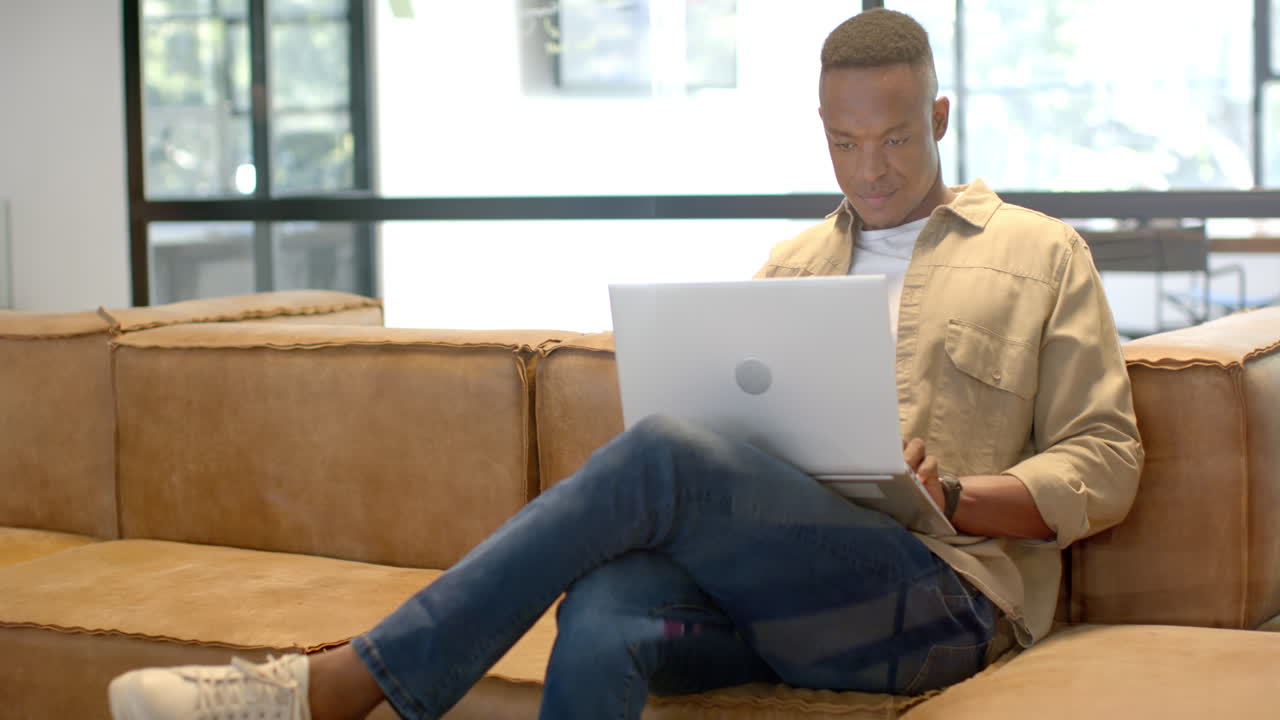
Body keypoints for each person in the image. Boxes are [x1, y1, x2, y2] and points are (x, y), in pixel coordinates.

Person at [107, 9, 1142, 720]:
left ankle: (344, 684)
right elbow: (748, 454)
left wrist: (954, 495)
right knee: (606, 602)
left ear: (940, 119)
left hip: (942, 605)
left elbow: (1105, 460)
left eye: (896, 140)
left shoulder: (1038, 254)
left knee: (661, 456)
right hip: (786, 600)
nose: (869, 169)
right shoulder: (791, 269)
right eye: (844, 142)